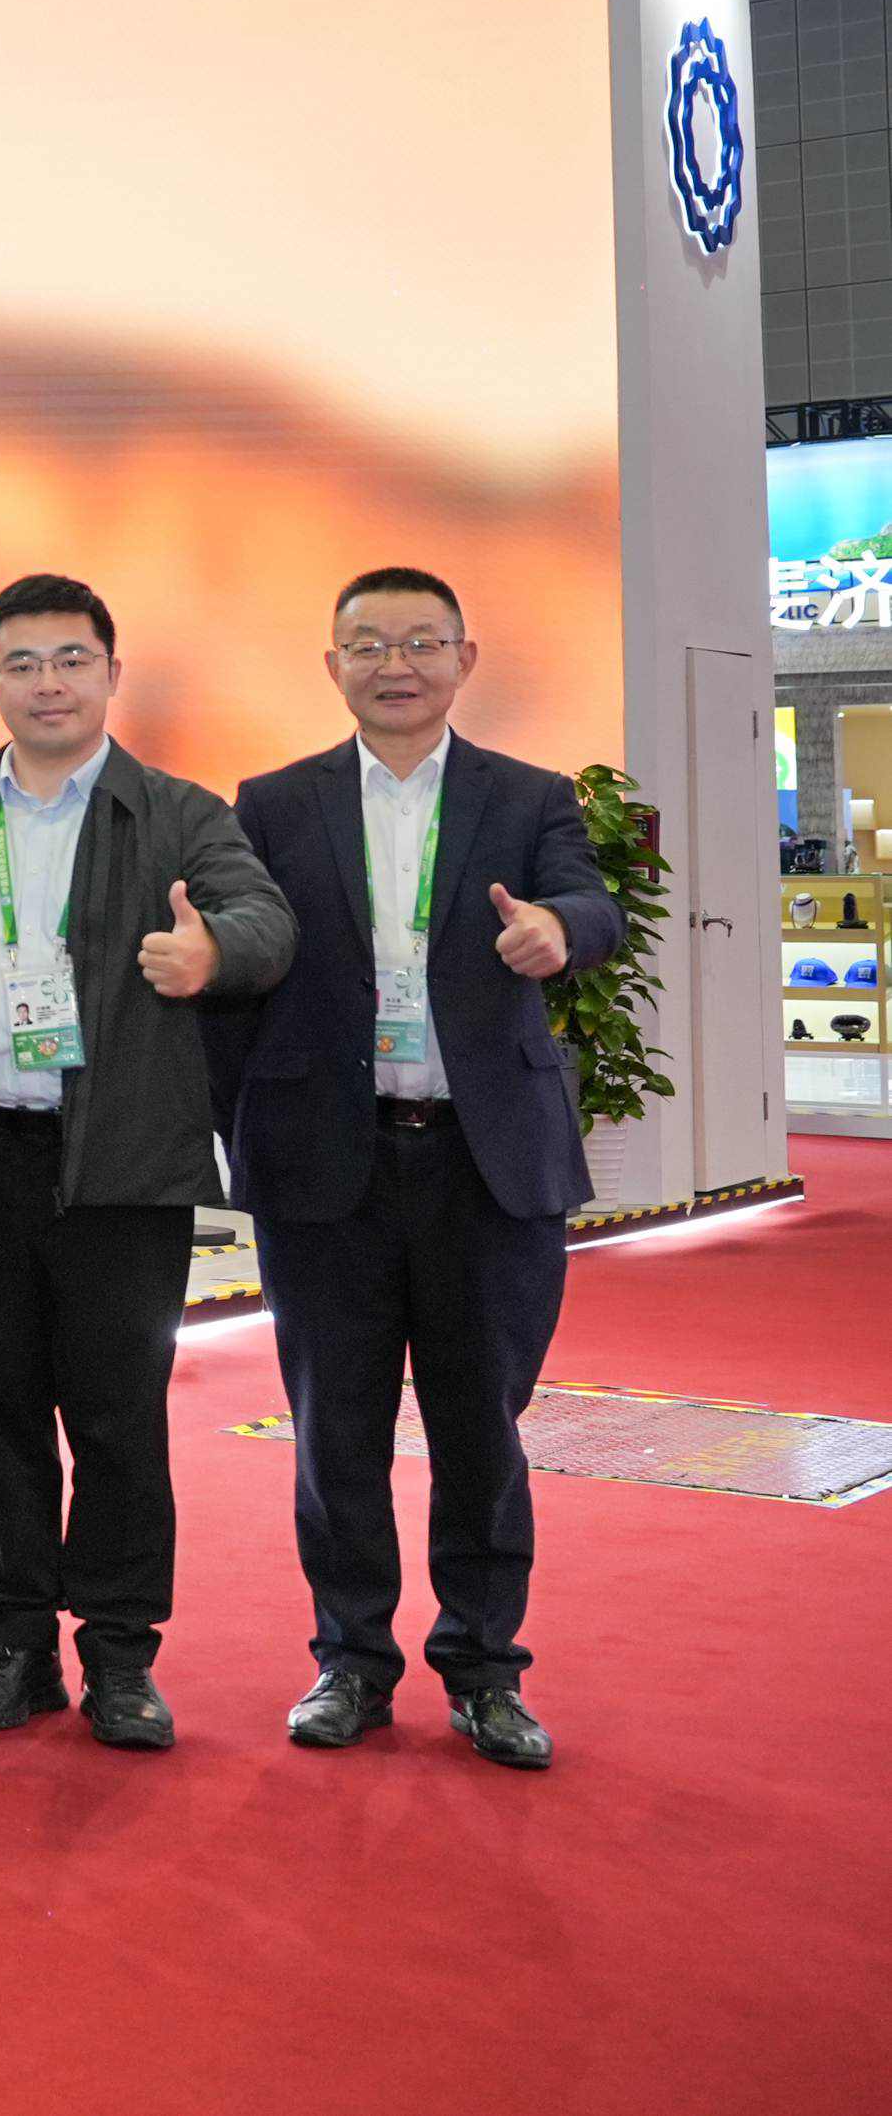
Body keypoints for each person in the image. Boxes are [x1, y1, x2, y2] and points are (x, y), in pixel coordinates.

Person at [213, 569, 621, 1771]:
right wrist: (249, 1128)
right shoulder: (273, 803)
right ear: (332, 662)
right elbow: (239, 969)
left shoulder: (528, 795)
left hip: (482, 1165)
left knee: (481, 1428)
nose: (396, 663)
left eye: (422, 642)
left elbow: (593, 905)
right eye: (370, 643)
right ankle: (350, 1660)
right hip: (327, 1167)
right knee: (334, 1429)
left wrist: (557, 929)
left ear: (464, 657)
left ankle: (486, 1670)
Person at [0, 572, 292, 1752]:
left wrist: (213, 951)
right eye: (23, 663)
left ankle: (122, 1655)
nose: (49, 683)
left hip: (123, 1162)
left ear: (111, 673)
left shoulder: (176, 812)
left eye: (72, 659)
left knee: (119, 1417)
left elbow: (266, 919)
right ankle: (14, 1642)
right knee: (0, 1414)